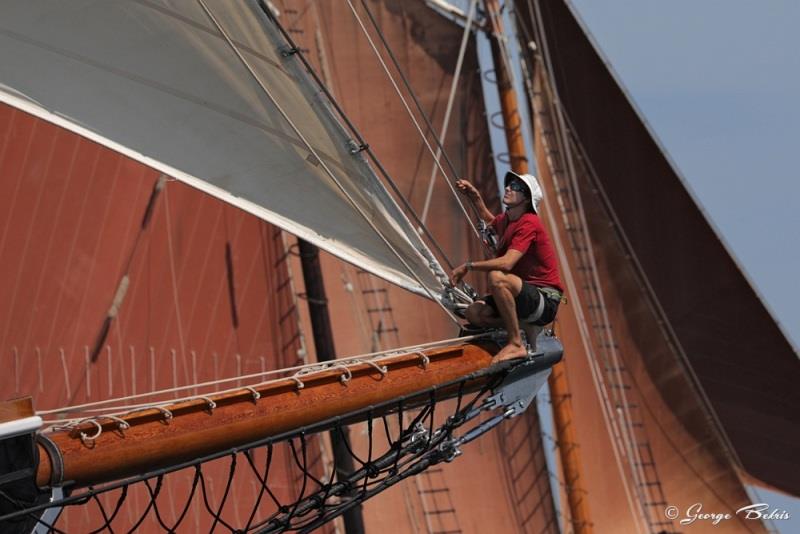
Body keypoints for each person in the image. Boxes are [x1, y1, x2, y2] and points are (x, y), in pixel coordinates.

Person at [451, 171, 564, 362]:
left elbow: (507, 262)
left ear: (527, 199)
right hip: (521, 296)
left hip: (545, 300)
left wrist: (468, 266)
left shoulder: (529, 222)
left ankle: (516, 343)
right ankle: (522, 326)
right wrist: (475, 197)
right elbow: (490, 221)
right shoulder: (509, 220)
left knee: (497, 277)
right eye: (509, 184)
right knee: (474, 313)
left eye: (516, 187)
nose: (508, 188)